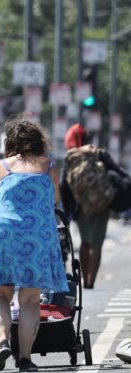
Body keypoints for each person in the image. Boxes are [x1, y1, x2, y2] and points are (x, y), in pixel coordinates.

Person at [0, 119, 68, 372]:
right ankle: (25, 359)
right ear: (39, 141)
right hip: (37, 235)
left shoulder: (1, 167)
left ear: (9, 143)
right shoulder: (49, 166)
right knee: (30, 300)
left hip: (4, 232)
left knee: (0, 293)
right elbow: (54, 197)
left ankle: (2, 342)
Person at [60, 123, 127, 289]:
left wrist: (68, 211)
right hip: (103, 204)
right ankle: (91, 281)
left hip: (81, 206)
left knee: (85, 242)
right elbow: (116, 171)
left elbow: (63, 186)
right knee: (97, 244)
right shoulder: (99, 153)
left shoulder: (70, 157)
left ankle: (84, 280)